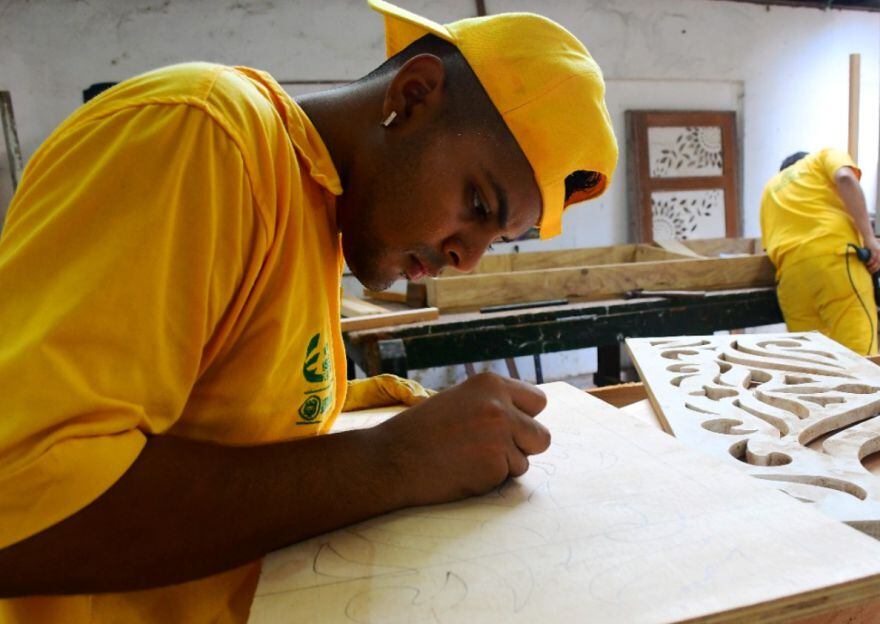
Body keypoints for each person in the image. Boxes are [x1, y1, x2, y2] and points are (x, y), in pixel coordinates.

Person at [0, 1, 617, 621]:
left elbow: (222, 415)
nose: (467, 258)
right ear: (412, 97)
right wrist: (394, 461)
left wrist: (391, 410)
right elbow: (20, 499)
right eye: (478, 204)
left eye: (497, 239)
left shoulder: (315, 211)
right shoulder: (208, 136)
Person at [759, 148, 880, 355]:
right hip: (833, 262)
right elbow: (845, 177)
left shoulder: (770, 189)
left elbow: (767, 247)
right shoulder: (820, 158)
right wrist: (870, 239)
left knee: (812, 363)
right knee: (860, 359)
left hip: (791, 279)